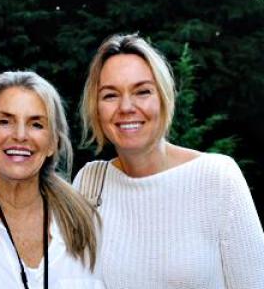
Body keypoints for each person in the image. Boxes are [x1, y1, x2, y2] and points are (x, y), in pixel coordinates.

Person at [74, 33, 264, 288]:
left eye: (142, 91)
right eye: (110, 95)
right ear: (96, 107)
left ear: (163, 98)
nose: (126, 106)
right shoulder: (89, 182)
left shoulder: (218, 178)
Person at [0, 71, 104, 289]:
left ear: (52, 142)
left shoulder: (85, 222)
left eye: (36, 124)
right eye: (5, 121)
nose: (20, 135)